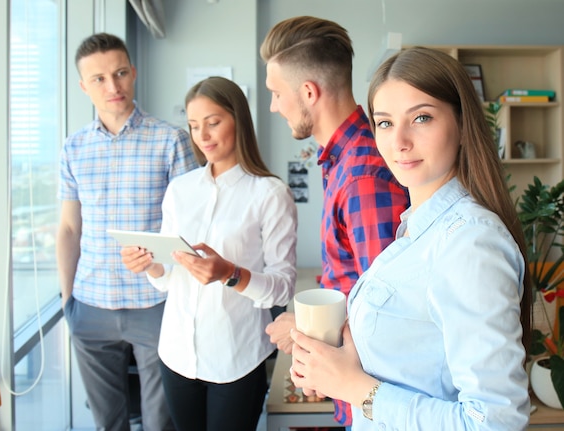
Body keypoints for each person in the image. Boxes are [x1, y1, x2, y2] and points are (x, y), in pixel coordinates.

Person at [289, 46, 532, 430]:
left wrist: (356, 388)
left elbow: (494, 422)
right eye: (384, 123)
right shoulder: (417, 228)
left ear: (462, 124)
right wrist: (339, 361)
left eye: (421, 118)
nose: (398, 141)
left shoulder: (470, 243)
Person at [120, 76, 298, 431]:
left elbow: (282, 287)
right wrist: (151, 266)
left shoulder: (270, 193)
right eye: (194, 125)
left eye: (213, 122)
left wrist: (230, 273)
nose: (202, 135)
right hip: (176, 356)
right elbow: (169, 280)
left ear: (239, 121)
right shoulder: (179, 190)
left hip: (237, 357)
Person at [260, 15, 409, 428]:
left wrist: (303, 330)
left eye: (276, 93)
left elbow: (385, 310)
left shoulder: (361, 175)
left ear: (308, 92)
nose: (273, 105)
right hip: (359, 391)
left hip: (375, 398)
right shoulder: (343, 160)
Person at [56, 32, 198, 431]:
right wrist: (68, 300)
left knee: (160, 422)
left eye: (120, 73)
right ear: (84, 86)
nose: (113, 86)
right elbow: (69, 228)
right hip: (90, 305)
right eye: (99, 79)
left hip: (153, 306)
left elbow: (189, 227)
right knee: (108, 423)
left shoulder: (171, 140)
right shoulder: (73, 148)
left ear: (133, 73)